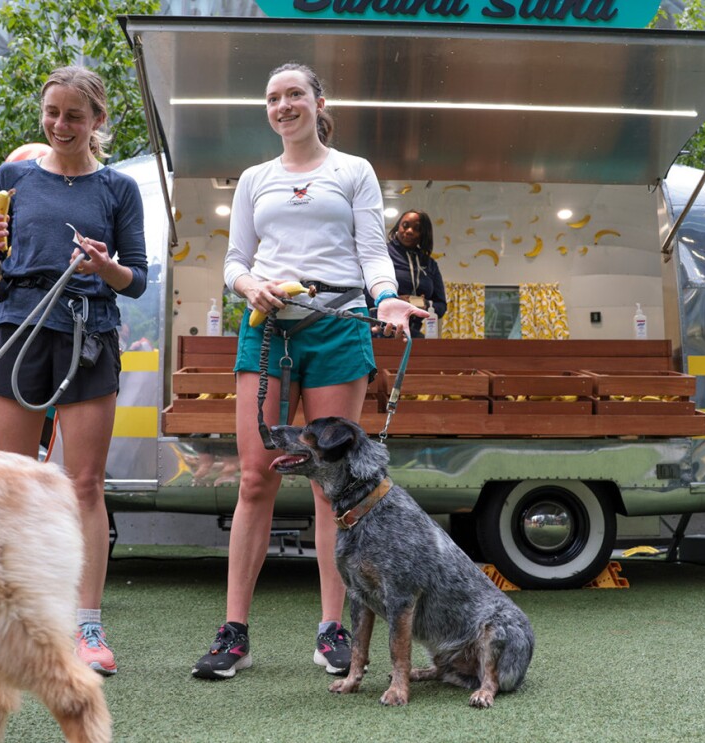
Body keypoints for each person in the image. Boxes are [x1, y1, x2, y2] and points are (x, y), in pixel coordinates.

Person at [192, 62, 428, 680]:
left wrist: (386, 298)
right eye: (273, 98)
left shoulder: (353, 170)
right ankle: (234, 631)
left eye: (294, 94)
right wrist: (249, 284)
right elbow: (235, 260)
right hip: (268, 329)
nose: (283, 105)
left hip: (338, 325)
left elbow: (373, 250)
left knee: (332, 488)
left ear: (318, 101)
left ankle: (332, 629)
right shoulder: (254, 178)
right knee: (254, 478)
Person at [0, 65, 147, 676]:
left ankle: (87, 626)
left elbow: (139, 280)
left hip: (88, 332)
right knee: (14, 483)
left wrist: (106, 268)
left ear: (97, 120)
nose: (61, 125)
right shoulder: (13, 177)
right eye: (53, 113)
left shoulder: (118, 188)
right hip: (18, 328)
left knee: (83, 485)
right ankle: (17, 619)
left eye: (75, 115)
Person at [383, 209, 446, 338]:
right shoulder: (382, 254)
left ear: (423, 234)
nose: (409, 231)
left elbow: (441, 306)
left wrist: (423, 303)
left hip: (413, 333)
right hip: (381, 331)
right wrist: (396, 300)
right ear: (398, 227)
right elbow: (364, 294)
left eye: (417, 228)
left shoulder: (430, 264)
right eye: (405, 226)